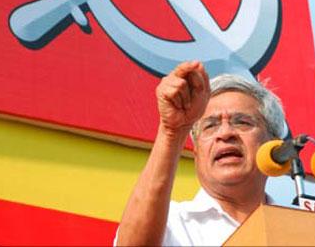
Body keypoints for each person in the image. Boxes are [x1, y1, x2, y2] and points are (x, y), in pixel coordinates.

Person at [115, 60, 286, 246]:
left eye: (242, 122)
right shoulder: (172, 224)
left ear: (273, 143)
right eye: (210, 125)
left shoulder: (302, 227)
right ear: (196, 152)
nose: (225, 133)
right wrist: (171, 131)